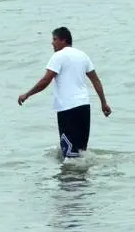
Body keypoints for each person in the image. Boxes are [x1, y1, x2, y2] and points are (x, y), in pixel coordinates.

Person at [18, 27, 111, 158]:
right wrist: (104, 103)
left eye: (54, 39)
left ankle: (69, 178)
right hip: (84, 107)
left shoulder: (58, 56)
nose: (52, 43)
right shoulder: (83, 55)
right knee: (80, 151)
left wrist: (27, 94)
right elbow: (96, 80)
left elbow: (46, 80)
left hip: (68, 109)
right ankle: (81, 178)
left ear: (63, 40)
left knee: (69, 153)